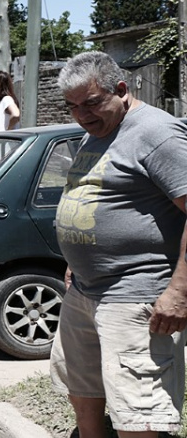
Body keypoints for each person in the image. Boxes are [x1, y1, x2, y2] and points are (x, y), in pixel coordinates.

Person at [50, 51, 187, 438]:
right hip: (86, 290)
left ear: (122, 90)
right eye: (72, 106)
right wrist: (78, 257)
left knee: (137, 412)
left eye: (91, 103)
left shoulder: (156, 133)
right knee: (83, 390)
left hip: (134, 294)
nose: (82, 115)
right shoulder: (95, 132)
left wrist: (180, 290)